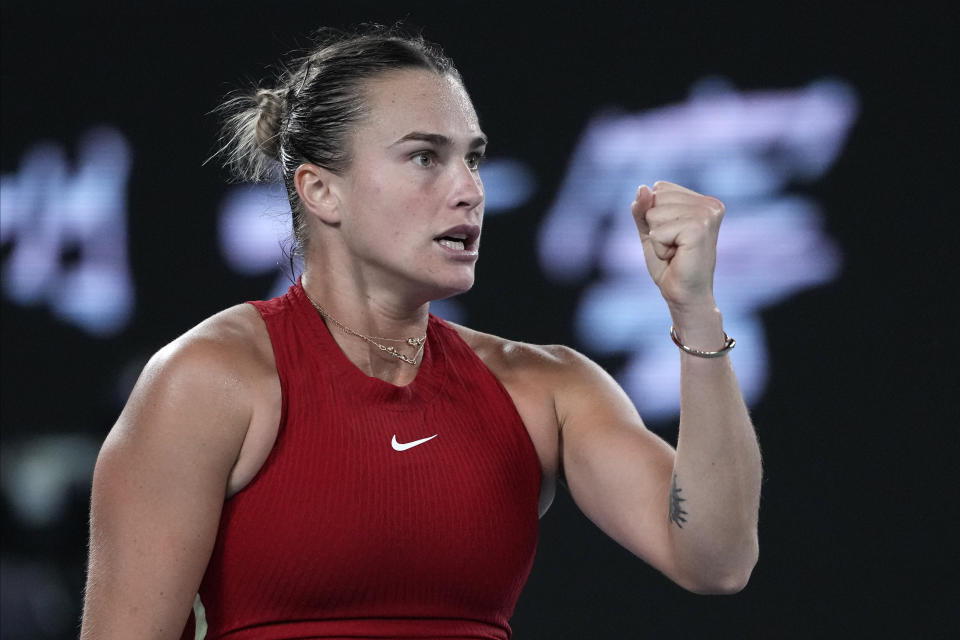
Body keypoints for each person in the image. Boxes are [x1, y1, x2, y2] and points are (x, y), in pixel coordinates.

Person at [80, 25, 762, 640]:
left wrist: (695, 312)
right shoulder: (210, 379)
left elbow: (716, 558)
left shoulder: (544, 386)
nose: (469, 190)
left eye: (474, 158)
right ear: (321, 192)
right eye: (425, 157)